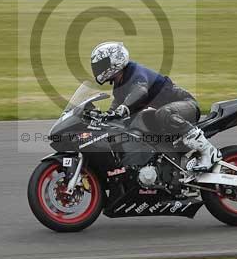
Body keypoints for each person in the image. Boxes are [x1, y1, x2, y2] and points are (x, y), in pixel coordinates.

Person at [89, 41, 220, 172]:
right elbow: (115, 109)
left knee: (164, 113)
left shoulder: (135, 72)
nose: (97, 68)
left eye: (101, 65)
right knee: (134, 125)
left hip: (186, 105)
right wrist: (104, 117)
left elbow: (140, 91)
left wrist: (123, 109)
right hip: (167, 115)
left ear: (115, 60)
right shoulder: (119, 86)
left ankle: (208, 150)